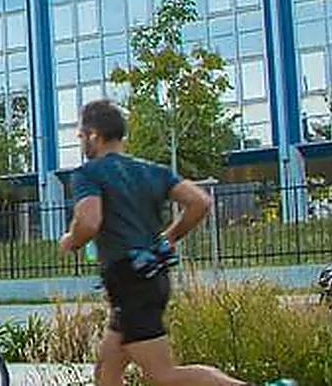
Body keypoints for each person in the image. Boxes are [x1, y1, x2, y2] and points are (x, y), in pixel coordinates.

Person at [57, 99, 292, 386]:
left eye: (81, 136)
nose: (81, 142)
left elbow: (89, 221)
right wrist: (169, 236)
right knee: (107, 374)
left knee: (163, 375)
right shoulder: (152, 171)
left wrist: (71, 239)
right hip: (148, 279)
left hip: (130, 283)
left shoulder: (88, 173)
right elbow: (199, 202)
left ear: (94, 134)